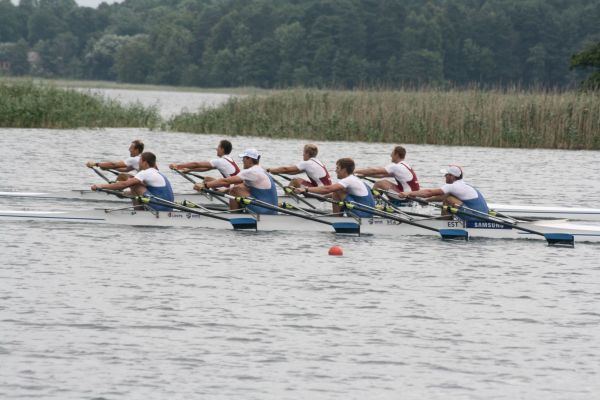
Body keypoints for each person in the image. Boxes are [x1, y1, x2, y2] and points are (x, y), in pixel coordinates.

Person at [193, 149, 278, 215]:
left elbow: (226, 181)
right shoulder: (261, 170)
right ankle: (239, 211)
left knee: (235, 190)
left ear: (249, 159)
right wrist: (223, 191)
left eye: (243, 158)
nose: (242, 161)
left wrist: (205, 185)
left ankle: (234, 216)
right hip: (272, 210)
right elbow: (243, 186)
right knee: (239, 187)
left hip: (264, 211)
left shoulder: (251, 171)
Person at [398, 165, 489, 220]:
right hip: (482, 215)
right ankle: (446, 221)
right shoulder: (462, 185)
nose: (444, 176)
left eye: (446, 174)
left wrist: (408, 193)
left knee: (449, 199)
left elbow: (429, 192)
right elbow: (441, 196)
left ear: (452, 176)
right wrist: (425, 201)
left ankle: (444, 223)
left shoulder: (453, 186)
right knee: (448, 198)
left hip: (476, 218)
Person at [91, 152, 174, 211]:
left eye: (140, 161)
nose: (139, 164)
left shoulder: (145, 173)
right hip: (169, 207)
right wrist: (121, 193)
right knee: (133, 183)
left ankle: (138, 212)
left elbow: (124, 184)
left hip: (159, 207)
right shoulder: (157, 173)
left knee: (134, 184)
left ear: (145, 163)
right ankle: (123, 195)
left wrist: (101, 186)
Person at [294, 158, 376, 218]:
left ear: (344, 170)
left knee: (337, 190)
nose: (336, 171)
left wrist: (305, 189)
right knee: (339, 190)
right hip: (368, 212)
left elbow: (327, 189)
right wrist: (325, 197)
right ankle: (339, 216)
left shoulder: (348, 180)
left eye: (337, 168)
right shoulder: (355, 179)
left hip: (362, 213)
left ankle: (336, 218)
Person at [354, 145, 419, 193]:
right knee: (383, 182)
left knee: (379, 184)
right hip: (411, 194)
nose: (391, 155)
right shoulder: (405, 165)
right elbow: (382, 175)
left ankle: (372, 202)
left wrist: (355, 171)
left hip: (407, 196)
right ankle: (377, 200)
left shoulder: (396, 167)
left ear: (396, 155)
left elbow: (375, 171)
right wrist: (365, 175)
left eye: (392, 153)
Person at [169, 139, 240, 183]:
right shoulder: (229, 159)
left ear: (222, 149)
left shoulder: (220, 161)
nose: (216, 149)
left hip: (233, 187)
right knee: (207, 179)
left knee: (207, 181)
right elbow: (206, 168)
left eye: (218, 147)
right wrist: (190, 170)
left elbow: (196, 164)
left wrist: (178, 166)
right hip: (235, 184)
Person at [267, 144, 332, 188]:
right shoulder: (317, 162)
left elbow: (286, 169)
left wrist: (270, 170)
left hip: (322, 191)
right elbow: (292, 172)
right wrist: (277, 172)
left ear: (307, 153)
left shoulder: (307, 163)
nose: (303, 154)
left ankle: (287, 200)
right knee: (296, 180)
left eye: (303, 152)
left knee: (295, 181)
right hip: (325, 189)